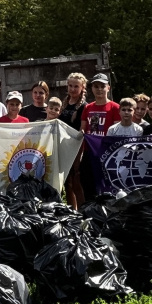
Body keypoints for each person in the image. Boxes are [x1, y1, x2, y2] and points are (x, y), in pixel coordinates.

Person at [59, 73, 87, 210]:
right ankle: (71, 211)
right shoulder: (64, 104)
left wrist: (78, 153)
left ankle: (82, 211)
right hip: (63, 147)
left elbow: (82, 131)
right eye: (70, 86)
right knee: (67, 183)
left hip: (76, 148)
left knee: (76, 181)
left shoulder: (84, 106)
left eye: (76, 86)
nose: (72, 89)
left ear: (82, 88)